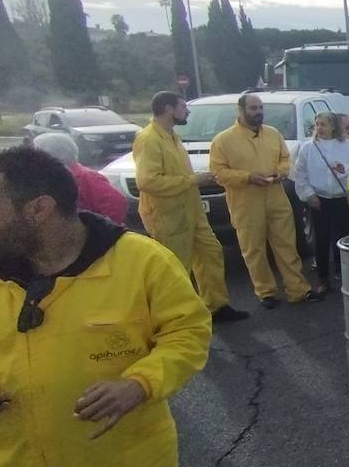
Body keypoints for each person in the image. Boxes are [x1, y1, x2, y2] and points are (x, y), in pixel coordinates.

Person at [0, 147, 213, 467]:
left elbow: (188, 332)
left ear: (38, 209)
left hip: (118, 465)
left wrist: (139, 384)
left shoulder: (140, 262)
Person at [132, 92, 246, 322]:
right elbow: (147, 182)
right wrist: (194, 180)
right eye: (183, 106)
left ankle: (217, 306)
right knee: (175, 268)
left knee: (211, 253)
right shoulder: (149, 139)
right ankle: (175, 318)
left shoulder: (171, 135)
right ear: (168, 109)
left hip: (191, 212)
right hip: (167, 216)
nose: (187, 111)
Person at [209, 94, 313, 308]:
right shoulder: (223, 140)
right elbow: (218, 172)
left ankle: (298, 290)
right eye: (253, 108)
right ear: (241, 110)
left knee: (286, 244)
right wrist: (247, 177)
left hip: (276, 197)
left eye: (260, 108)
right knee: (253, 249)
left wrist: (280, 173)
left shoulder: (273, 134)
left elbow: (285, 158)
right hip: (246, 202)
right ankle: (266, 292)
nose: (258, 112)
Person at [292, 112, 349, 296]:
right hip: (319, 200)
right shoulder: (308, 148)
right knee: (321, 240)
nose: (319, 128)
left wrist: (344, 168)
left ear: (333, 126)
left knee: (346, 238)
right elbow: (300, 174)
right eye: (317, 124)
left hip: (341, 199)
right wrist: (309, 195)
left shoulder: (348, 146)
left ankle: (347, 275)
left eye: (323, 124)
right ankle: (323, 279)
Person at [33, 132, 128, 226]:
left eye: (37, 154)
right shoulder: (50, 177)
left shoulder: (85, 177)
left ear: (57, 156)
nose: (33, 159)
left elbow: (116, 202)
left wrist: (101, 232)